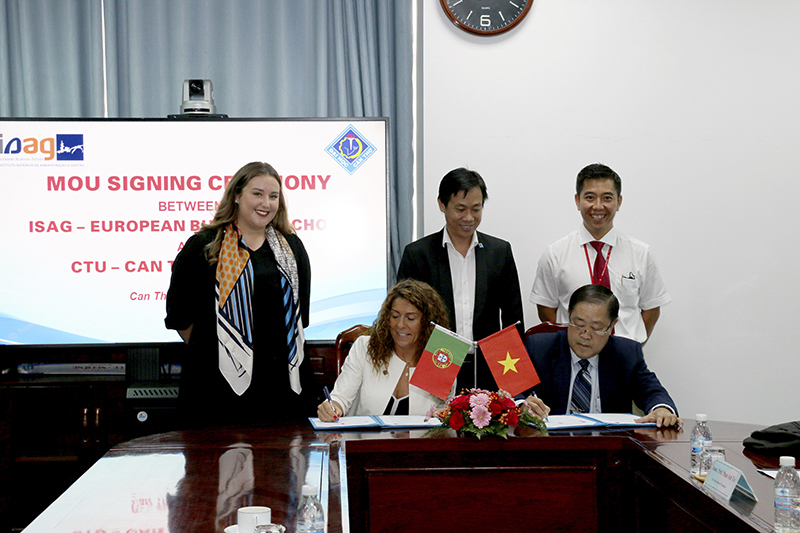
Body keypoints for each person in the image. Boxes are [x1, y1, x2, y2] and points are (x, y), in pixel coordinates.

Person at [165, 161, 316, 427]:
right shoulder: (204, 245)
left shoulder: (291, 247)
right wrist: (217, 348)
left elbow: (299, 317)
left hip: (280, 383)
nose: (266, 203)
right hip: (214, 384)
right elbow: (179, 316)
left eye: (273, 196)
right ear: (236, 195)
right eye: (257, 193)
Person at [397, 167, 523, 391]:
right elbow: (403, 317)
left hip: (490, 365)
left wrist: (517, 383)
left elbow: (514, 319)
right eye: (460, 209)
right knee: (436, 425)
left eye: (476, 209)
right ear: (442, 205)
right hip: (436, 361)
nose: (469, 218)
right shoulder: (418, 255)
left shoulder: (499, 252)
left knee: (488, 425)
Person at [530, 163, 670, 344]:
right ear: (577, 201)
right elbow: (546, 309)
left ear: (618, 202)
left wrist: (632, 347)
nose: (598, 206)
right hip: (574, 358)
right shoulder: (555, 254)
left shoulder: (640, 254)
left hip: (624, 359)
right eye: (590, 197)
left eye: (607, 198)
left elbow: (651, 308)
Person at [524, 284, 680, 428]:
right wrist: (521, 404)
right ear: (569, 316)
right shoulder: (540, 347)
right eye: (578, 324)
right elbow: (513, 390)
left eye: (596, 328)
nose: (585, 335)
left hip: (608, 448)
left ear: (612, 326)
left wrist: (661, 408)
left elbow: (652, 391)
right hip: (552, 446)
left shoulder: (626, 353)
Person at [317, 279, 450, 421]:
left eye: (410, 318)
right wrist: (332, 407)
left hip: (419, 442)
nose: (400, 325)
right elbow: (341, 397)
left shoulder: (440, 357)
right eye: (395, 316)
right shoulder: (365, 348)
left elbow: (443, 416)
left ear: (427, 323)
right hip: (364, 441)